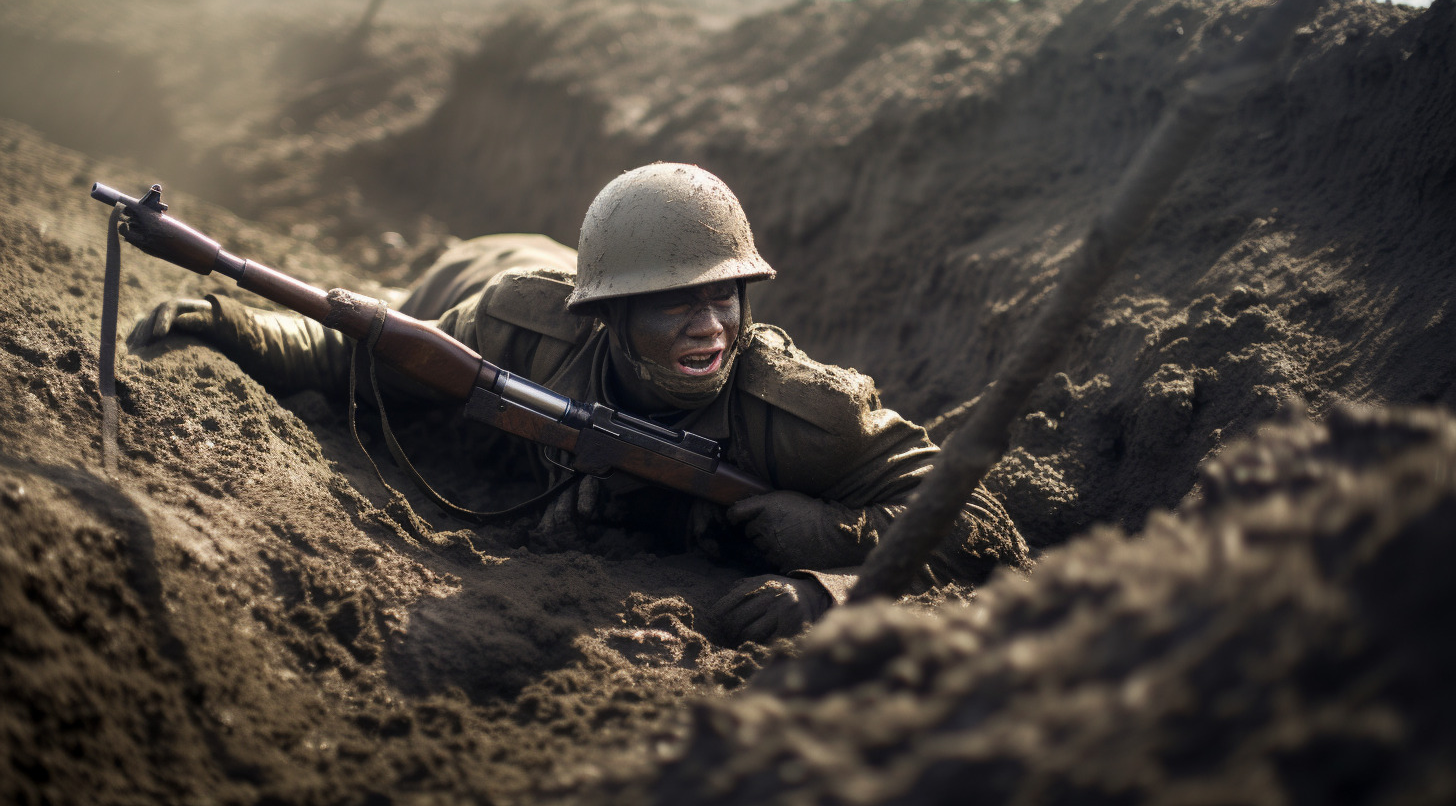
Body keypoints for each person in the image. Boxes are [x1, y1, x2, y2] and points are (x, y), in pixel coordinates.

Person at [130, 163, 1030, 643]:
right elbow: (365, 356)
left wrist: (829, 579)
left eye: (725, 295)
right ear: (608, 314)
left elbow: (976, 518)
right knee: (389, 300)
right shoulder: (526, 322)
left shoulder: (805, 415)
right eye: (675, 301)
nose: (708, 323)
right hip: (482, 271)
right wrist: (235, 324)